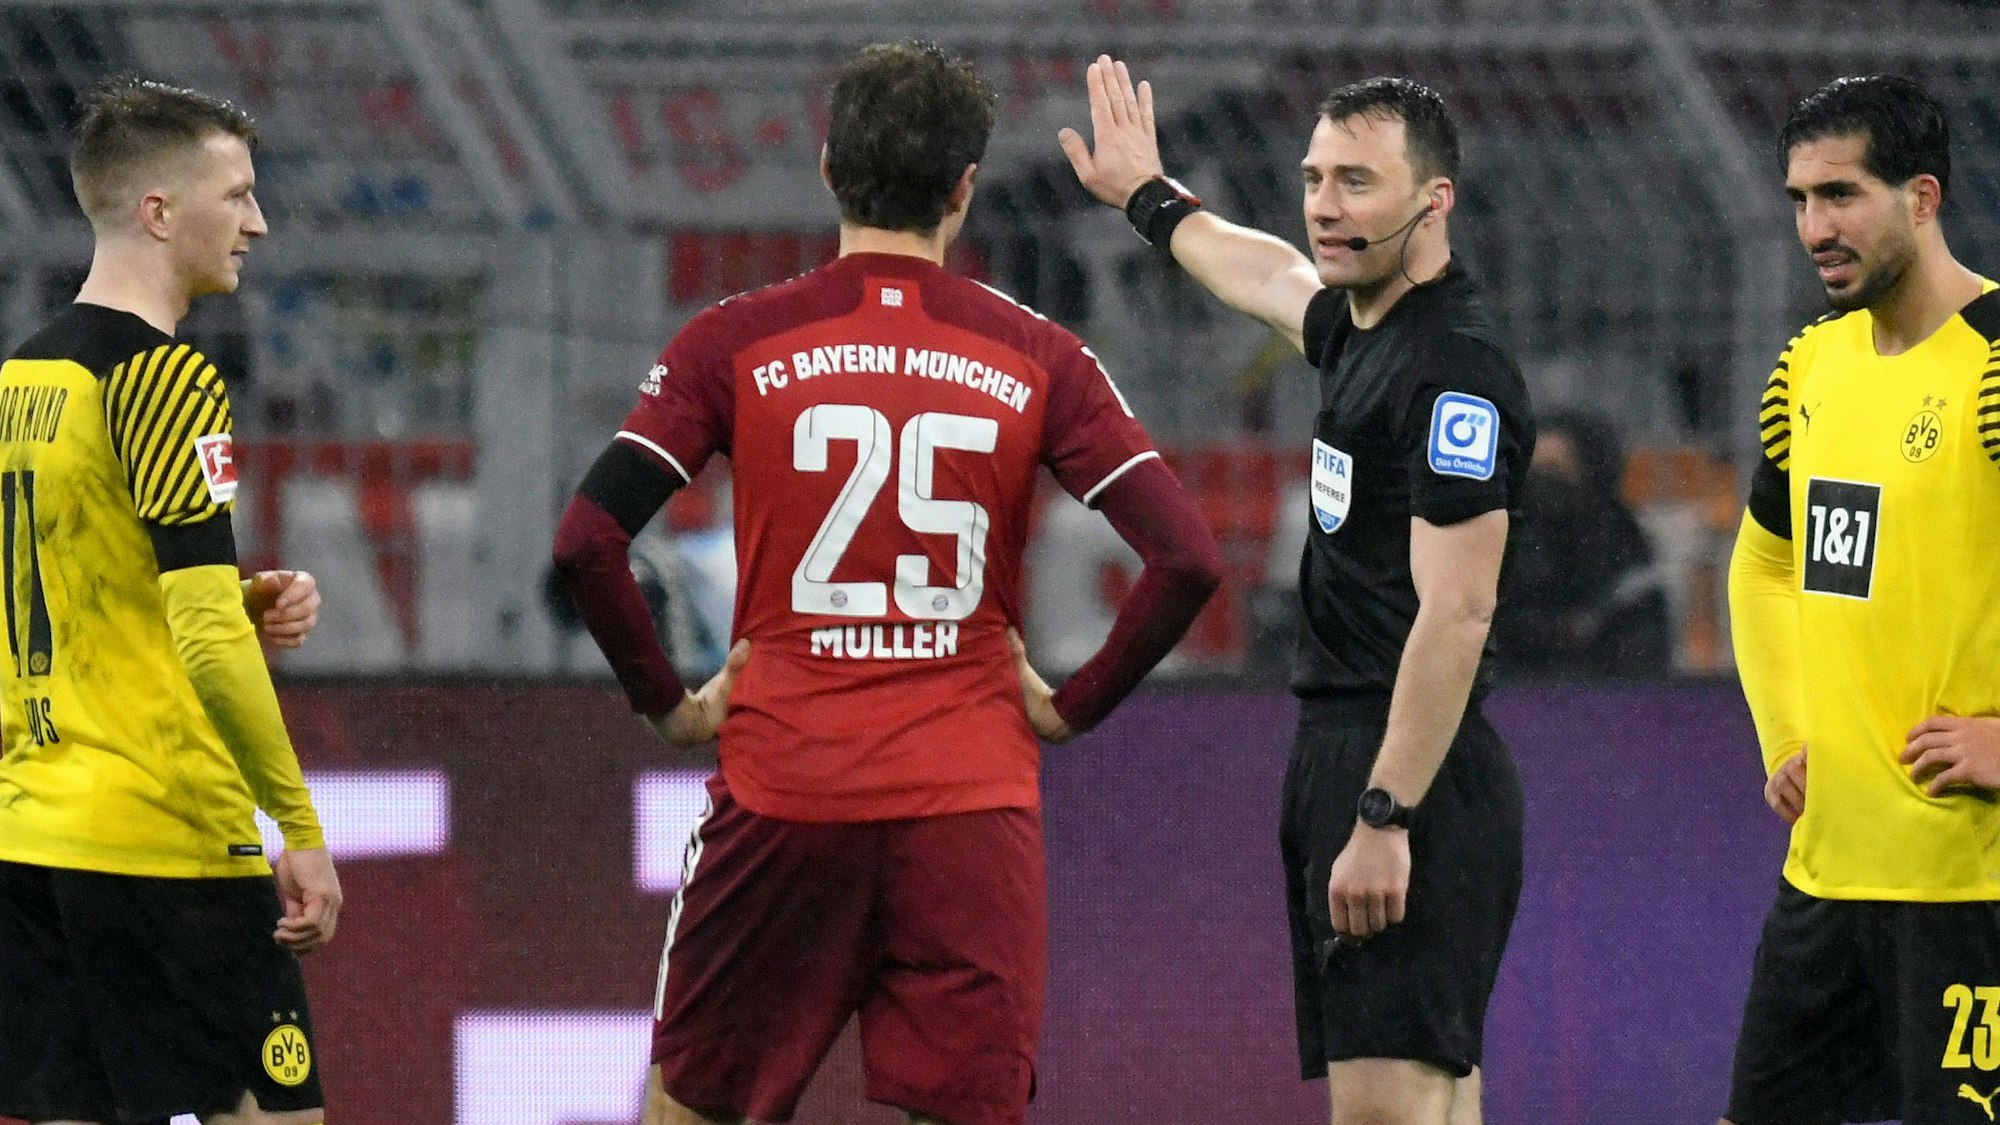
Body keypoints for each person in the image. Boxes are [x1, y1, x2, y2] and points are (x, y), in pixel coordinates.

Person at [551, 41, 1222, 1125]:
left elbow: (586, 541)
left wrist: (668, 703)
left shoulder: (735, 340)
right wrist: (1067, 703)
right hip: (968, 805)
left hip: (783, 792)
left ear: (825, 167)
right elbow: (1186, 559)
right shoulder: (1038, 355)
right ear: (964, 187)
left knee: (693, 1107)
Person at [1062, 60, 1533, 1125]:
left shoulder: (1449, 369)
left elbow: (1457, 610)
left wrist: (1383, 809)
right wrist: (1149, 195)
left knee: (1385, 1110)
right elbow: (1263, 273)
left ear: (1432, 201)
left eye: (1356, 182)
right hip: (1357, 753)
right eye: (1314, 177)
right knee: (1429, 1106)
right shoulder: (1363, 330)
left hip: (1402, 762)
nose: (1323, 203)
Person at [0, 77, 338, 1125]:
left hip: (33, 834)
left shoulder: (23, 378)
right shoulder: (164, 379)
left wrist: (236, 596)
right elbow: (196, 638)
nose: (257, 222)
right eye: (234, 195)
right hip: (163, 831)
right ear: (158, 211)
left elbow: (61, 583)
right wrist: (299, 824)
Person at [1724, 74, 2000, 1125]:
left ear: (1920, 198)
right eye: (1797, 199)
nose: (1811, 228)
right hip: (1824, 884)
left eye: (1839, 195)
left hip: (1967, 892)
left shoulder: (1988, 362)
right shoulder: (1810, 365)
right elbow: (1760, 567)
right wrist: (1786, 733)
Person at [1495, 410, 1670, 678]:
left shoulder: (1620, 541)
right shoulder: (1505, 540)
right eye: (1535, 472)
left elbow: (1642, 645)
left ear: (1589, 473)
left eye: (1555, 471)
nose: (1544, 485)